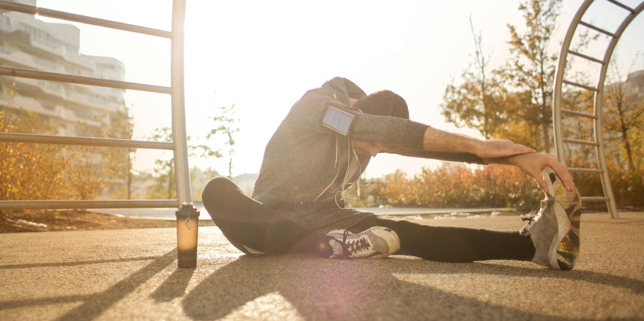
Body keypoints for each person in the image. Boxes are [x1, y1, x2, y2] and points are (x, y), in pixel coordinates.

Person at [202, 77, 581, 270]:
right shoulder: (318, 107)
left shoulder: (370, 131)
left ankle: (530, 247)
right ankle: (331, 246)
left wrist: (514, 159)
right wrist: (481, 146)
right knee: (217, 189)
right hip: (265, 225)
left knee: (407, 232)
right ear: (359, 112)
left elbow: (416, 143)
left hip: (328, 221)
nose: (377, 152)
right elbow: (376, 131)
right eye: (375, 143)